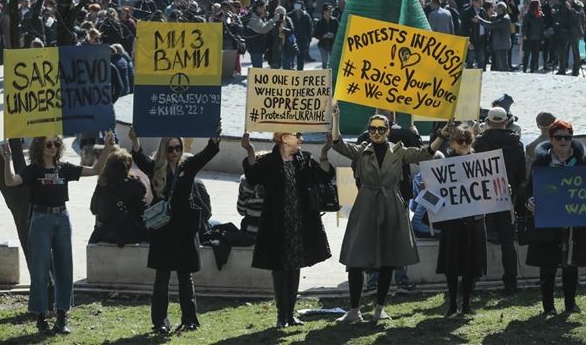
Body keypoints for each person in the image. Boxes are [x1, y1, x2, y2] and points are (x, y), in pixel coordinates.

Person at [331, 103, 450, 323]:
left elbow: (425, 153)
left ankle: (379, 309)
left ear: (388, 130)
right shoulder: (361, 150)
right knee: (356, 258)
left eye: (381, 129)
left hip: (391, 205)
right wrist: (336, 118)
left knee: (388, 258)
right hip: (366, 204)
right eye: (373, 129)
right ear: (369, 130)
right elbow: (337, 143)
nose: (376, 133)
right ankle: (355, 310)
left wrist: (441, 136)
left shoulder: (399, 150)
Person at [0, 134, 114, 334]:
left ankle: (62, 316)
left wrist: (107, 148)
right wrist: (7, 159)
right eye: (48, 144)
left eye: (56, 144)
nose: (52, 148)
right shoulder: (33, 170)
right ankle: (41, 317)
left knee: (64, 268)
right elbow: (10, 181)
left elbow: (96, 169)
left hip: (62, 218)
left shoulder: (64, 168)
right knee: (40, 270)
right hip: (40, 220)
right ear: (40, 147)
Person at [129, 123, 221, 334]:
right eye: (170, 149)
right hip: (163, 229)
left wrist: (214, 137)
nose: (174, 152)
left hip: (184, 229)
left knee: (185, 276)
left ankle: (189, 319)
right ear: (164, 149)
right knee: (161, 277)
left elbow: (207, 154)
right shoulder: (155, 168)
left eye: (178, 148)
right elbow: (139, 157)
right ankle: (160, 321)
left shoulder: (187, 166)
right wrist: (134, 140)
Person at [241, 131, 333, 328]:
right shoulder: (269, 161)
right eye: (297, 135)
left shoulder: (304, 159)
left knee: (294, 266)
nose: (301, 139)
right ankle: (281, 315)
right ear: (283, 138)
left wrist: (325, 152)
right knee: (279, 267)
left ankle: (290, 314)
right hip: (276, 223)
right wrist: (249, 150)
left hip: (301, 223)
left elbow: (325, 175)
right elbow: (253, 175)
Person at [522, 119, 586, 315]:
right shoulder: (541, 163)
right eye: (559, 137)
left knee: (571, 264)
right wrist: (530, 202)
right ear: (551, 139)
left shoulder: (583, 162)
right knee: (548, 265)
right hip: (548, 222)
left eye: (567, 137)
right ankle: (549, 307)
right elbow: (529, 189)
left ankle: (570, 305)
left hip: (574, 224)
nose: (563, 141)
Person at [473, 107, 526, 294]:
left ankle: (471, 280)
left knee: (475, 237)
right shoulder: (516, 143)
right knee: (507, 241)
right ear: (506, 122)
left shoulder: (478, 142)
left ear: (487, 122)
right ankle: (510, 282)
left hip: (481, 192)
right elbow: (522, 175)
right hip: (505, 192)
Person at [436, 126, 487, 317]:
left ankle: (466, 304)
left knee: (471, 265)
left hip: (474, 221)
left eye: (467, 140)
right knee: (452, 265)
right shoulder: (444, 163)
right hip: (452, 221)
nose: (464, 144)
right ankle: (452, 304)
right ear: (452, 143)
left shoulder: (481, 163)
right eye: (460, 141)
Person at [89, 148, 149, 246]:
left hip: (105, 235)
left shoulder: (102, 184)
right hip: (131, 236)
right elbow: (143, 210)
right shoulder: (135, 184)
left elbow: (94, 209)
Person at [520, 0, 544, 73]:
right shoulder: (527, 15)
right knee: (526, 54)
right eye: (539, 4)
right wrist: (524, 34)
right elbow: (524, 26)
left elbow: (542, 27)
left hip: (537, 38)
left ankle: (532, 69)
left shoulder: (541, 15)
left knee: (535, 55)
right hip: (528, 37)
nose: (540, 6)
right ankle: (524, 68)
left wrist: (542, 37)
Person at [312, 3, 338, 69]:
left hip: (332, 44)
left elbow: (338, 32)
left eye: (331, 11)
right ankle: (325, 76)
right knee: (324, 62)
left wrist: (333, 35)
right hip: (322, 45)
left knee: (333, 62)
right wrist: (323, 36)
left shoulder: (334, 21)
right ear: (324, 12)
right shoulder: (320, 22)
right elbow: (315, 34)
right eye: (329, 11)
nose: (331, 13)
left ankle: (333, 76)